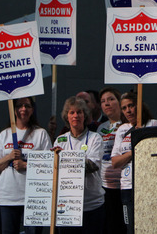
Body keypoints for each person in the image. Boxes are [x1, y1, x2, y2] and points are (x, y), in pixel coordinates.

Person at [0, 97, 52, 234]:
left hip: (33, 197)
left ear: (32, 110)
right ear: (14, 110)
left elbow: (49, 165)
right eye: (19, 105)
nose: (23, 109)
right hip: (8, 197)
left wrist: (25, 165)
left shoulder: (40, 134)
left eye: (27, 106)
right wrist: (9, 157)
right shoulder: (4, 135)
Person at [111, 92, 157, 234]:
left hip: (149, 185)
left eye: (131, 106)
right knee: (130, 228)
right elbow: (115, 162)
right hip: (127, 186)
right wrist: (135, 150)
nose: (128, 110)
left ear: (139, 105)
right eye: (124, 108)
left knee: (150, 227)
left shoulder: (154, 124)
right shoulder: (122, 130)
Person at [53, 96, 105, 234]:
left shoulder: (95, 138)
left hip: (92, 205)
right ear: (67, 116)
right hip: (67, 205)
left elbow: (93, 165)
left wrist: (65, 157)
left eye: (79, 112)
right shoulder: (60, 140)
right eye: (72, 112)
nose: (76, 115)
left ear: (85, 115)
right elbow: (55, 170)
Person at [96, 87, 126, 234]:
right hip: (105, 185)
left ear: (119, 102)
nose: (107, 103)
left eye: (111, 99)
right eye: (103, 101)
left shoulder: (127, 125)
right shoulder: (100, 128)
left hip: (123, 183)